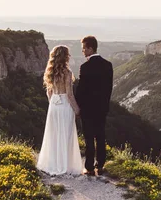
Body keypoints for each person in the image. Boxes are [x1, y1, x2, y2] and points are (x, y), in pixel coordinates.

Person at [36, 45, 84, 175]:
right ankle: (65, 165)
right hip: (64, 105)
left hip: (54, 105)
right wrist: (77, 110)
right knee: (66, 135)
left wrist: (53, 103)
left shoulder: (50, 72)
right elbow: (69, 95)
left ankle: (53, 163)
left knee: (54, 134)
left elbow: (49, 92)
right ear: (66, 57)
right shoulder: (67, 73)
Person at [75, 36, 113, 176]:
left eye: (84, 48)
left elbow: (81, 90)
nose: (83, 51)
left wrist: (78, 107)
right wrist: (105, 106)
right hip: (102, 108)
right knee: (101, 136)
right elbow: (109, 89)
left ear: (90, 48)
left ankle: (89, 167)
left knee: (89, 138)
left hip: (87, 109)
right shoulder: (108, 65)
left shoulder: (85, 67)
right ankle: (101, 166)